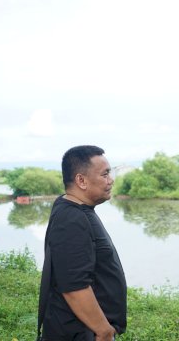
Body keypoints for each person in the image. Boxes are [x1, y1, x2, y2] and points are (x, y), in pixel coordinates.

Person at [38, 145, 127, 341]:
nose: (111, 180)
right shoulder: (71, 219)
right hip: (78, 333)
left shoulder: (75, 209)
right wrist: (103, 330)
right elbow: (74, 286)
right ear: (81, 180)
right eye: (105, 174)